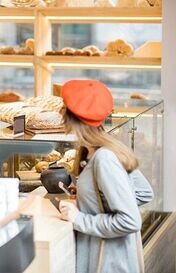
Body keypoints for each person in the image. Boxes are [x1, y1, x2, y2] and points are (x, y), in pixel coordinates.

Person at [58, 79, 153, 273]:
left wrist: (79, 218)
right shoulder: (107, 148)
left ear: (71, 117)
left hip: (109, 263)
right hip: (116, 259)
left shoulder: (104, 160)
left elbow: (130, 220)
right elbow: (143, 192)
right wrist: (93, 198)